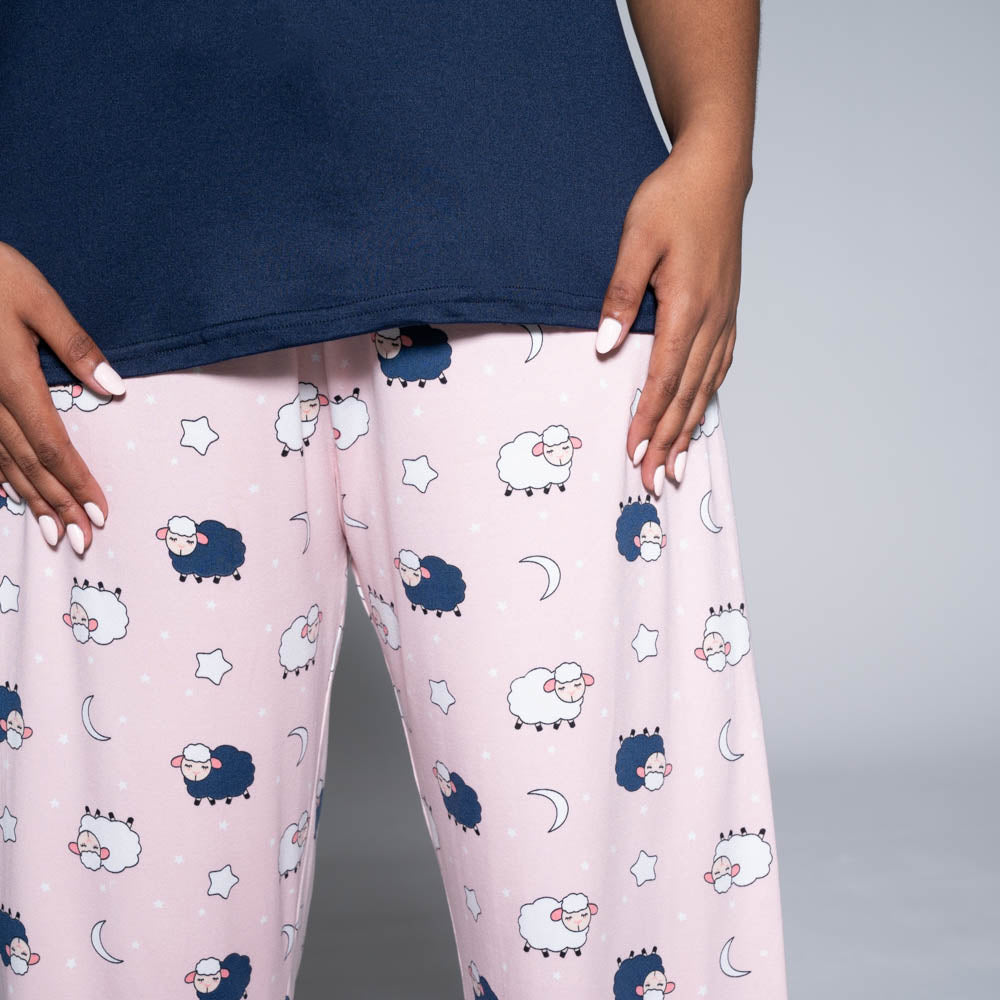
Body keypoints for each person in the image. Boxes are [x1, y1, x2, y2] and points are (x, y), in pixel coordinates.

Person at [0, 1, 788, 998]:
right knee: (121, 948)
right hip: (99, 266)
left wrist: (718, 141)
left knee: (619, 942)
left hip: (536, 218)